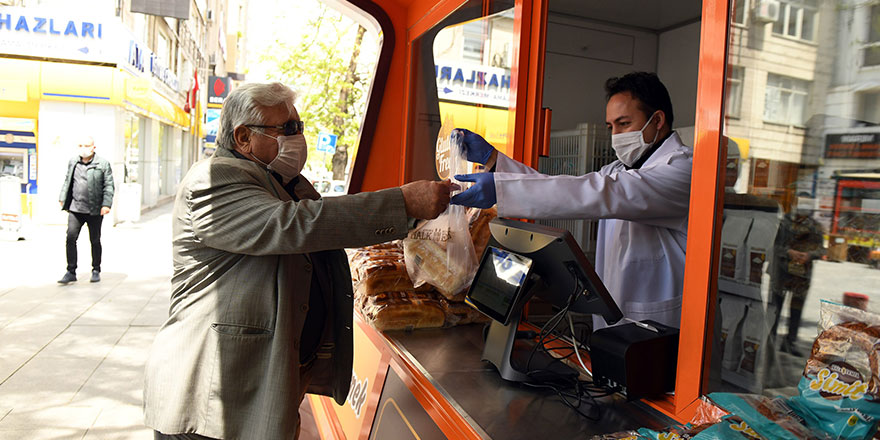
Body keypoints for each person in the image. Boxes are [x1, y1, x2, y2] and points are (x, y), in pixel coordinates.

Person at [143, 82, 455, 439]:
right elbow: (294, 225)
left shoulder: (283, 183)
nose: (298, 138)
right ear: (243, 137)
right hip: (211, 398)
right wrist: (402, 203)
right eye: (287, 129)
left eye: (300, 127)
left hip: (262, 391)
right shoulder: (213, 181)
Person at [451, 72, 693, 328]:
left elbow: (599, 193)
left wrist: (502, 189)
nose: (616, 135)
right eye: (611, 126)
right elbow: (564, 190)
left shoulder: (682, 169)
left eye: (624, 123)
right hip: (616, 321)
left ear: (657, 120)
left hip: (662, 326)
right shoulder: (619, 170)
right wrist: (494, 161)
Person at [57, 136, 115, 284]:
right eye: (80, 145)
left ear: (93, 147)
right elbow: (67, 180)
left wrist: (106, 204)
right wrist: (63, 196)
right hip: (75, 208)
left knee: (95, 240)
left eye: (86, 145)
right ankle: (71, 271)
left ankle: (96, 269)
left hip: (95, 210)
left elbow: (109, 185)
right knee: (70, 238)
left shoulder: (102, 164)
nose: (83, 148)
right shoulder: (73, 162)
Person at [768, 206, 824, 357]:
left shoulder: (815, 226)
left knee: (796, 311)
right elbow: (773, 244)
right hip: (782, 273)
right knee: (776, 308)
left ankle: (789, 343)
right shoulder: (783, 223)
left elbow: (821, 250)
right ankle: (770, 341)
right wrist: (789, 252)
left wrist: (809, 255)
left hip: (802, 277)